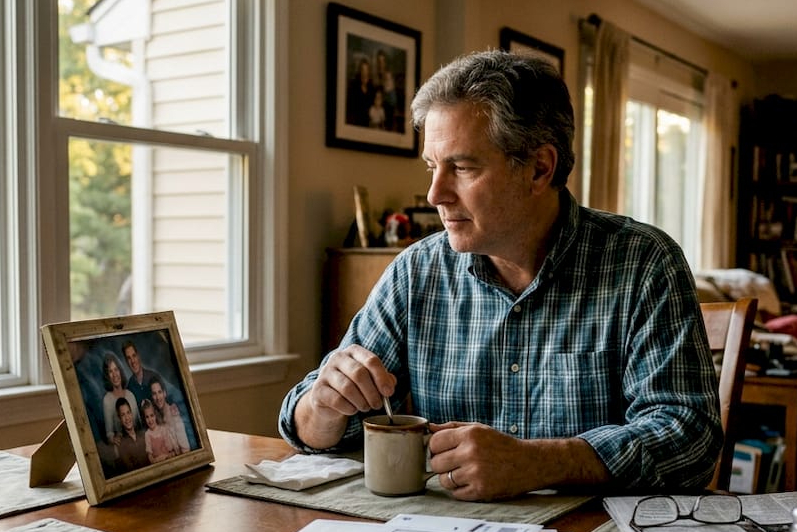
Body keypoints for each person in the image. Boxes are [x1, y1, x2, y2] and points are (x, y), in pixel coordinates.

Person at [278, 49, 721, 501]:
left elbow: (688, 436)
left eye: (463, 168)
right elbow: (308, 428)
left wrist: (537, 462)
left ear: (539, 168)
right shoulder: (416, 272)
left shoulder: (642, 263)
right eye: (433, 167)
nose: (435, 194)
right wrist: (324, 404)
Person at [99, 354, 138, 443]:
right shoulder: (107, 400)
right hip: (124, 444)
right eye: (110, 371)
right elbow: (109, 434)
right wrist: (114, 440)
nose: (114, 374)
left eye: (116, 369)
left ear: (120, 371)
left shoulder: (130, 395)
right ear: (107, 376)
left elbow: (139, 423)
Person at [150, 377, 193, 454]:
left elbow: (186, 449)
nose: (157, 397)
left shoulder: (174, 413)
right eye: (154, 394)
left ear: (165, 393)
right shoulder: (157, 418)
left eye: (159, 392)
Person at [110, 397, 150, 472]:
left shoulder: (143, 433)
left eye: (128, 413)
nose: (127, 418)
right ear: (119, 419)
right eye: (123, 415)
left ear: (131, 413)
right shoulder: (121, 444)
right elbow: (130, 469)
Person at [141, 398, 184, 462]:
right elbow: (150, 457)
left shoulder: (163, 429)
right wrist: (156, 460)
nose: (150, 420)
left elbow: (171, 451)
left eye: (151, 416)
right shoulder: (147, 434)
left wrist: (167, 456)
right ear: (144, 418)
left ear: (155, 415)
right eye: (147, 417)